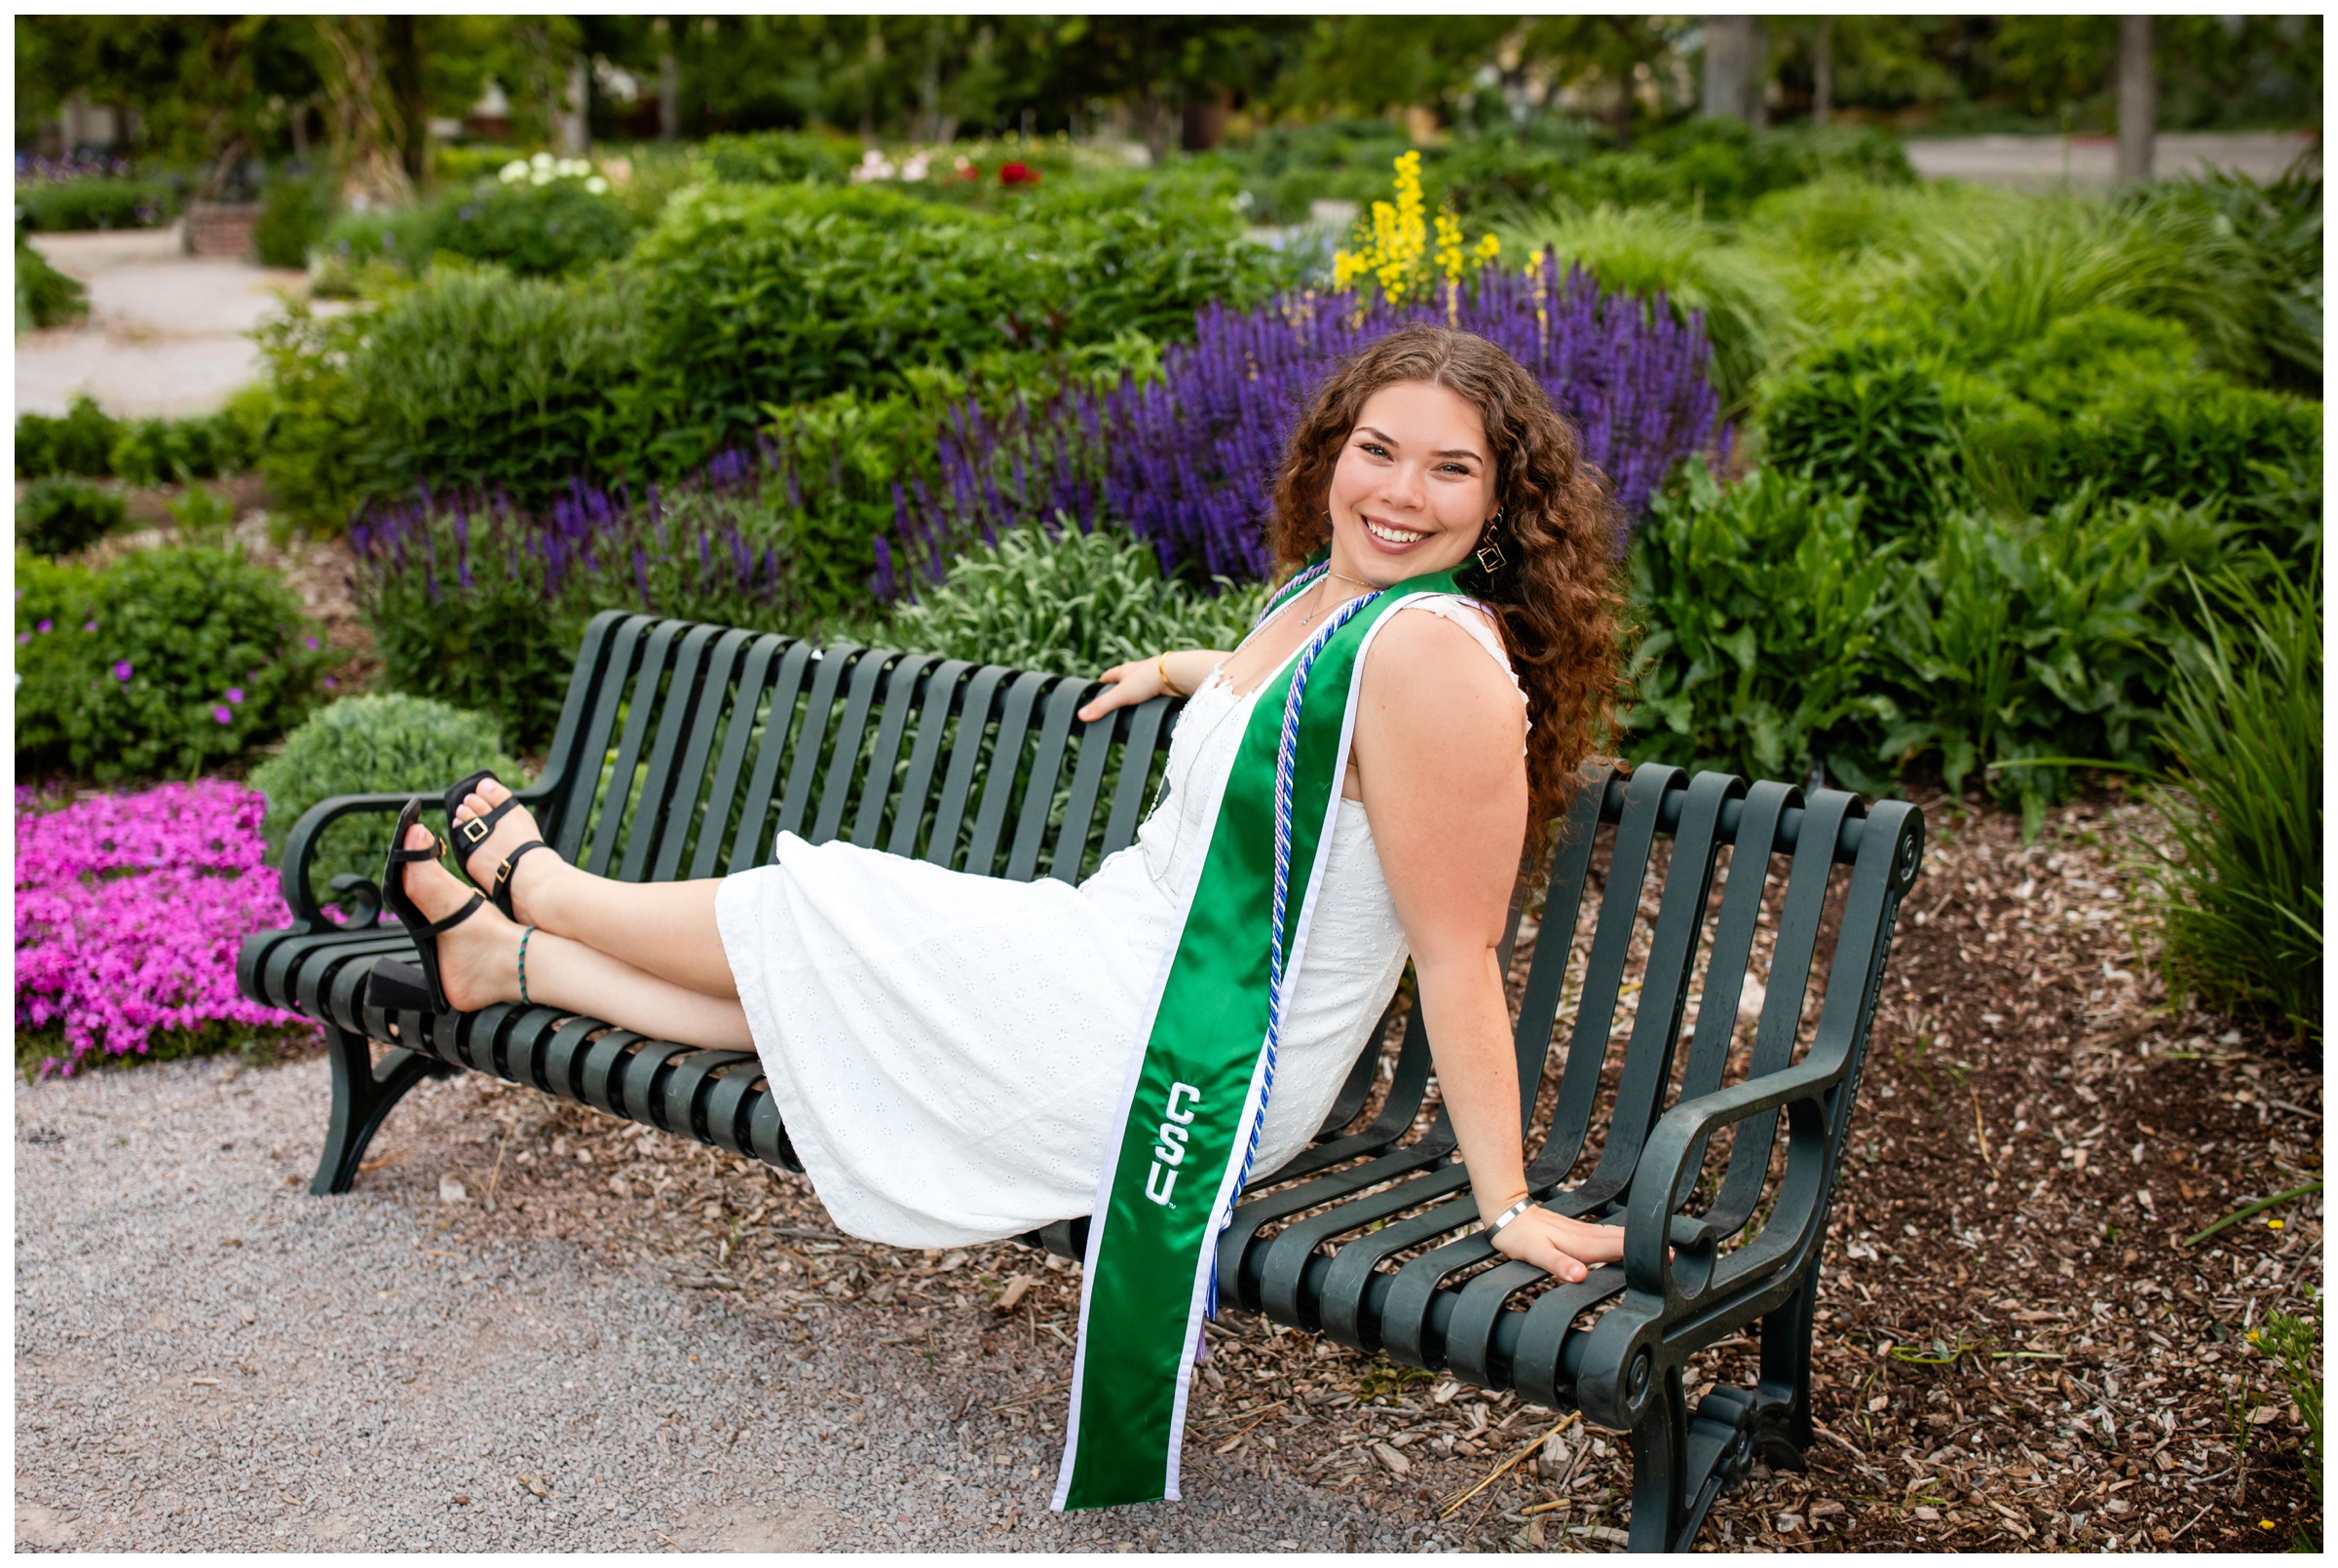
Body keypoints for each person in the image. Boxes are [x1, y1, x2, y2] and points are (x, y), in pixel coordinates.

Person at [369, 323, 1629, 1504]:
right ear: (1333, 451)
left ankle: (546, 886)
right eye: (1380, 451)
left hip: (1201, 1044)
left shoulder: (1429, 657)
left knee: (829, 910)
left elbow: (1458, 953)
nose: (1404, 492)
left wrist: (1506, 1201)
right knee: (820, 968)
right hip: (1113, 952)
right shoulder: (1322, 598)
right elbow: (1284, 714)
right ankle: (506, 960)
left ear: (1498, 502)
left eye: (1450, 469)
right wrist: (1185, 674)